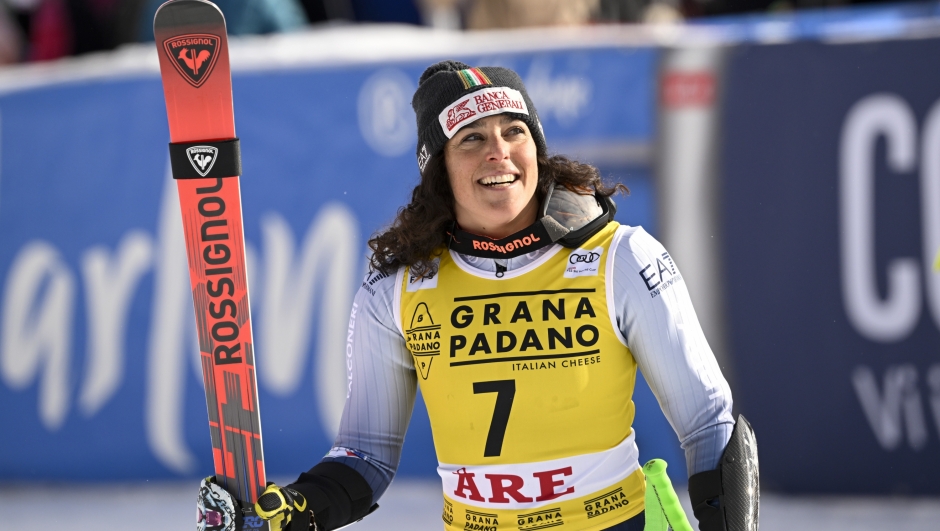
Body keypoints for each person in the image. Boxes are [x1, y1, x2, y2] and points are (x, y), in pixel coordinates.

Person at [196, 60, 759, 531]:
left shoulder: (621, 259)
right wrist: (294, 511)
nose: (499, 152)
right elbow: (365, 456)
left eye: (514, 132)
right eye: (472, 139)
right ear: (438, 169)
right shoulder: (396, 288)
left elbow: (711, 423)